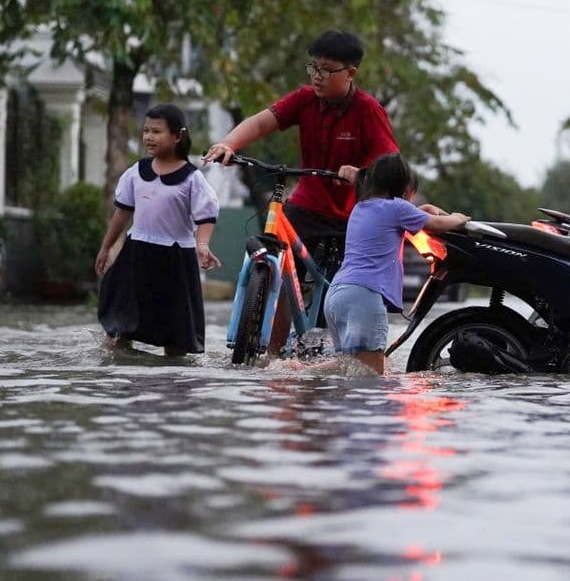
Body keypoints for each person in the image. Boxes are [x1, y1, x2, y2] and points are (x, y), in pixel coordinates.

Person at [203, 29, 399, 353]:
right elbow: (261, 122)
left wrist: (363, 173)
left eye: (326, 69)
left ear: (350, 73)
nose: (317, 76)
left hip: (353, 212)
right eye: (313, 67)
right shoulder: (304, 99)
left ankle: (342, 350)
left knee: (345, 288)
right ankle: (273, 353)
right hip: (308, 202)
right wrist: (228, 143)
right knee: (284, 268)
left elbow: (390, 164)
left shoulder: (368, 110)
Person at [324, 154, 470, 374]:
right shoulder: (397, 208)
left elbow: (390, 220)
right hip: (364, 296)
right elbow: (438, 224)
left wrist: (421, 210)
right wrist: (459, 218)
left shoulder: (360, 208)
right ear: (403, 186)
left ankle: (297, 373)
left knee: (350, 367)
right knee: (371, 378)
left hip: (337, 296)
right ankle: (295, 375)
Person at [95, 104, 222, 356]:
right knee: (119, 325)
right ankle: (118, 370)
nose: (149, 137)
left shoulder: (191, 178)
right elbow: (122, 214)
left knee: (174, 335)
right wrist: (106, 247)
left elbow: (206, 216)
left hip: (175, 259)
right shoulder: (136, 173)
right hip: (137, 254)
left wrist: (203, 244)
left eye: (157, 131)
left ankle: (172, 381)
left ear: (177, 136)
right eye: (146, 131)